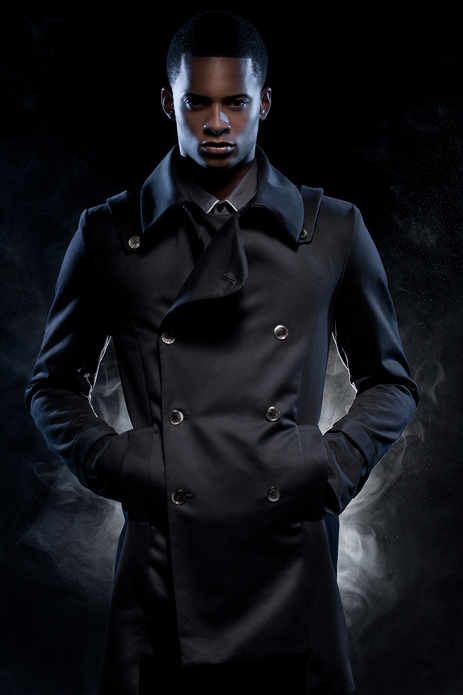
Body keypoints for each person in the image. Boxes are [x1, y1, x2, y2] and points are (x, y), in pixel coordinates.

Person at [26, 10, 418, 695]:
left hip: (289, 554)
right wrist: (125, 464)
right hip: (161, 562)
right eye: (196, 103)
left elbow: (390, 382)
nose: (216, 123)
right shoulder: (108, 234)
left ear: (263, 103)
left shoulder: (331, 229)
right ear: (167, 103)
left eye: (235, 102)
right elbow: (53, 385)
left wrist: (327, 465)